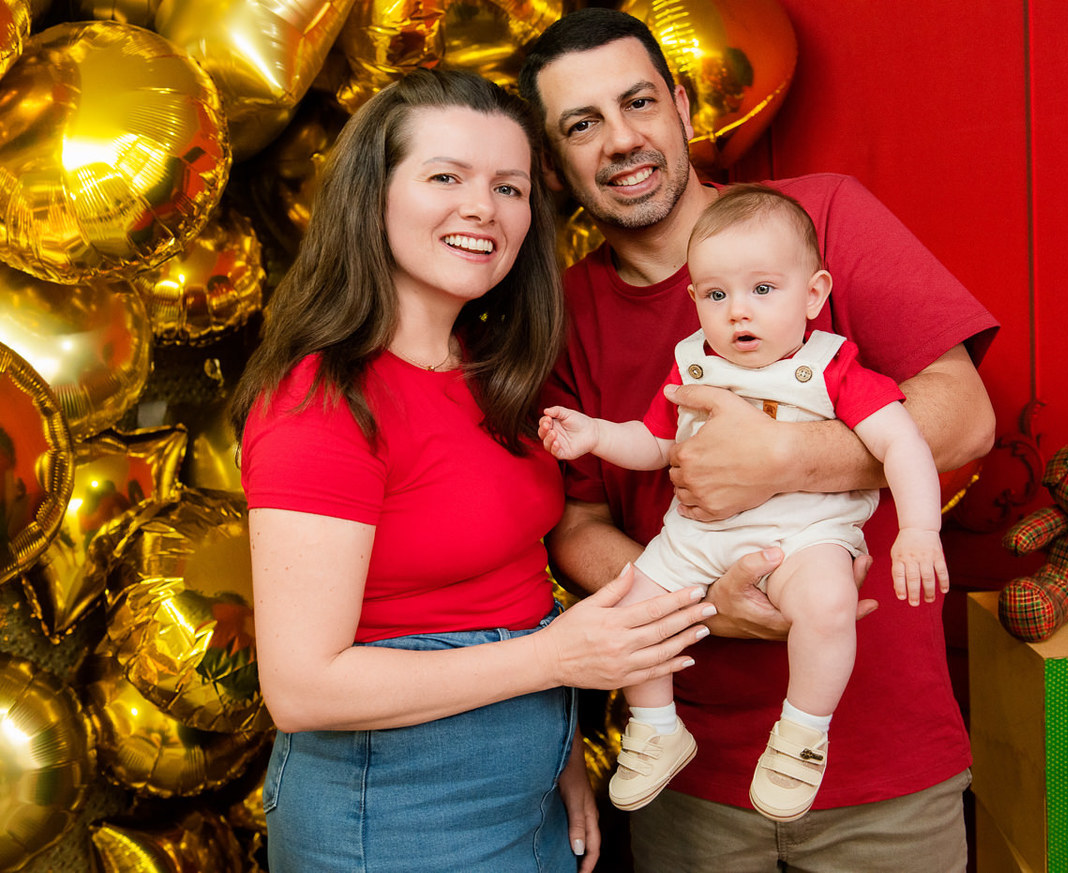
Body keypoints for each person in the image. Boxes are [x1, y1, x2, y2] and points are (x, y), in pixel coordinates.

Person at [518, 9, 1000, 872]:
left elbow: (965, 413)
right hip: (691, 785)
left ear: (682, 107)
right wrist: (710, 604)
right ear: (554, 165)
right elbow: (576, 525)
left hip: (883, 770)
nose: (621, 140)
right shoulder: (565, 314)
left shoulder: (818, 220)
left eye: (638, 103)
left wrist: (782, 459)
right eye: (581, 125)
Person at [230, 69, 718, 873]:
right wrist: (554, 661)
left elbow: (507, 584)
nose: (483, 208)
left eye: (509, 187)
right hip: (393, 811)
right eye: (446, 177)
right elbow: (303, 688)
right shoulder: (320, 401)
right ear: (373, 198)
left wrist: (557, 753)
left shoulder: (494, 372)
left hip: (525, 794)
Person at [538, 183, 949, 823]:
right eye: (716, 295)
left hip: (804, 535)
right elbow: (655, 444)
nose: (738, 314)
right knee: (634, 605)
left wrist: (919, 530)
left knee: (827, 602)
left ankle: (802, 734)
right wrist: (595, 435)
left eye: (763, 290)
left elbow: (902, 443)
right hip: (697, 539)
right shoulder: (692, 365)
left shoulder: (831, 368)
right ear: (694, 300)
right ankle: (657, 726)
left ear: (813, 294)